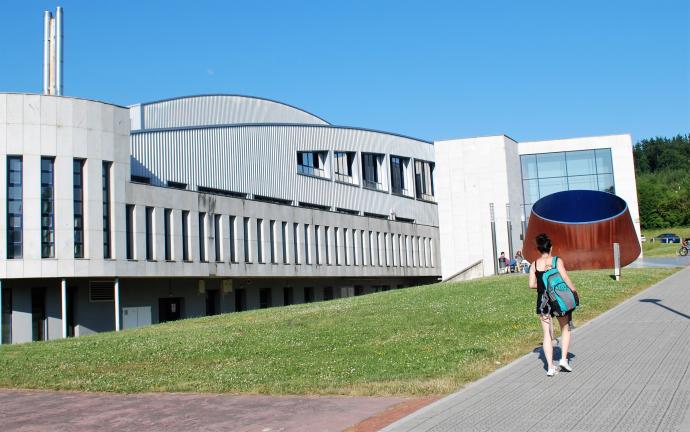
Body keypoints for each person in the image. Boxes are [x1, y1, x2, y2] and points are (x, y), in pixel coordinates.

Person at [528, 233, 578, 376]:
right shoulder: (556, 261)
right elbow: (565, 278)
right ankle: (563, 359)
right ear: (551, 247)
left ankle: (550, 367)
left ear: (539, 249)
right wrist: (574, 292)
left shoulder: (534, 265)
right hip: (559, 299)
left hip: (543, 301)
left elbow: (531, 284)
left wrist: (543, 283)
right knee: (565, 328)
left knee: (546, 335)